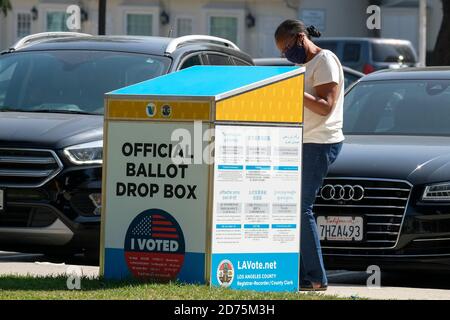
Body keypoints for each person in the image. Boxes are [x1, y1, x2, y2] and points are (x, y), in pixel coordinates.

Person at [274, 20, 345, 291]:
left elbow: (326, 107)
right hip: (303, 141)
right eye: (282, 52)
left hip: (320, 142)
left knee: (301, 209)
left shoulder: (324, 60)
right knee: (294, 209)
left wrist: (293, 91)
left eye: (287, 48)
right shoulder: (301, 66)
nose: (286, 55)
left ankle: (316, 279)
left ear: (301, 38)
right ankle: (304, 276)